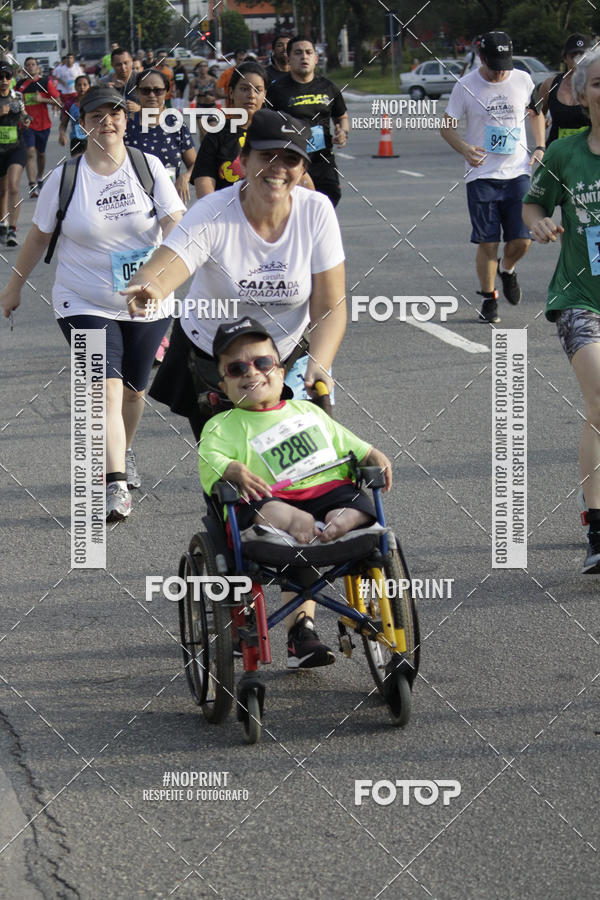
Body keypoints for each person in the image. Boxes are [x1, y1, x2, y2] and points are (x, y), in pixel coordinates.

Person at [0, 85, 185, 521]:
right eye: (97, 114)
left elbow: (177, 224)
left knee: (136, 390)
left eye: (115, 113)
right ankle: (115, 484)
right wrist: (13, 288)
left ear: (126, 119)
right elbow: (38, 236)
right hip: (82, 299)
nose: (108, 121)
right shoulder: (66, 177)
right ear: (83, 123)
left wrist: (168, 275)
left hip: (147, 298)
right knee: (106, 387)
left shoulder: (148, 168)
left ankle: (125, 451)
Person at [122, 108, 346, 453]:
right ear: (243, 159)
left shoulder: (316, 212)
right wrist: (150, 287)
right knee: (231, 465)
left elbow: (330, 305)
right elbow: (168, 264)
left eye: (290, 159)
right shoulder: (213, 211)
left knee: (292, 465)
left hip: (283, 358)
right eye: (267, 155)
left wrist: (320, 362)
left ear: (303, 169)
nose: (278, 167)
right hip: (214, 359)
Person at [198, 318, 392, 668]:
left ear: (281, 370)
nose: (251, 372)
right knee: (269, 511)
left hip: (328, 492)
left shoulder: (306, 411)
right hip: (272, 502)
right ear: (223, 383)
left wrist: (371, 453)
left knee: (357, 502)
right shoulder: (222, 425)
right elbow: (208, 460)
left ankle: (340, 520)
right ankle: (302, 523)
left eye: (262, 363)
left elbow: (347, 443)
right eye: (237, 368)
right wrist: (231, 469)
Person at [522, 49, 600, 574]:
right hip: (580, 299)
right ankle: (598, 525)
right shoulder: (565, 153)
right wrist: (538, 223)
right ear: (581, 92)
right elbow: (534, 204)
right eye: (598, 84)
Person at [440, 30, 546, 323]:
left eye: (505, 64)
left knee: (522, 240)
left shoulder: (522, 79)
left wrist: (540, 145)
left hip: (518, 172)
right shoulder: (465, 85)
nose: (501, 72)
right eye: (495, 64)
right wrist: (463, 148)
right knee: (488, 242)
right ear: (481, 57)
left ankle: (508, 269)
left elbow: (535, 112)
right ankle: (489, 299)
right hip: (481, 175)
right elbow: (446, 126)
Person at [267, 36, 349, 207]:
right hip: (291, 161)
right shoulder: (277, 90)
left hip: (323, 159)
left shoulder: (328, 87)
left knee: (329, 200)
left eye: (308, 52)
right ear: (289, 59)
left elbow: (341, 116)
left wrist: (343, 132)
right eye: (298, 53)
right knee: (297, 207)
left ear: (315, 58)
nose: (304, 57)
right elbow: (266, 123)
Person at [192, 61, 268, 198]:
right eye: (244, 89)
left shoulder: (274, 133)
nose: (251, 95)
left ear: (264, 95)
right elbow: (204, 181)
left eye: (258, 90)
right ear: (231, 93)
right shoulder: (216, 135)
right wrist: (214, 214)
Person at [125, 68, 196, 203]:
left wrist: (185, 177)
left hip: (170, 202)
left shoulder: (176, 123)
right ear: (137, 92)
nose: (152, 95)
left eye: (157, 91)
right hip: (135, 204)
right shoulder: (125, 126)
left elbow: (194, 164)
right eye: (146, 91)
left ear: (166, 92)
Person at [16, 56, 61, 198]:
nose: (30, 67)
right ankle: (32, 184)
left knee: (40, 154)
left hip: (43, 125)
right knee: (30, 152)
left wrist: (42, 100)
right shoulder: (20, 86)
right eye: (27, 65)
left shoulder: (44, 83)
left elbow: (58, 102)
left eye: (33, 64)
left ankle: (39, 177)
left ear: (37, 67)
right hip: (27, 125)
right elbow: (13, 101)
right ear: (24, 68)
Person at [536, 34, 593, 146]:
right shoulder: (550, 84)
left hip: (587, 153)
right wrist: (540, 145)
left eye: (583, 56)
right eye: (573, 56)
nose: (578, 61)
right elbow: (537, 116)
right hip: (557, 153)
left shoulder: (595, 86)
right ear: (565, 58)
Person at [0, 61, 31, 247]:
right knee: (2, 190)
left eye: (7, 77)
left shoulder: (17, 96)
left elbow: (24, 115)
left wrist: (26, 120)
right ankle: (2, 223)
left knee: (13, 186)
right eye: (0, 77)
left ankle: (12, 229)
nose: (3, 81)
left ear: (12, 78)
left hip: (16, 147)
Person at [58, 74, 90, 156]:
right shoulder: (69, 104)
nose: (82, 87)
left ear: (89, 86)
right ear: (75, 87)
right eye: (79, 85)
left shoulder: (94, 103)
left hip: (92, 140)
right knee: (77, 165)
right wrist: (62, 134)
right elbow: (63, 125)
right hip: (76, 139)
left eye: (85, 85)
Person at [101, 48, 140, 115]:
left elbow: (155, 107)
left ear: (131, 61)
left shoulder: (142, 79)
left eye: (126, 63)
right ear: (112, 65)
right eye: (118, 65)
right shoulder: (104, 83)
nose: (123, 67)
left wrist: (139, 108)